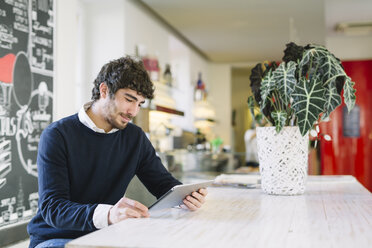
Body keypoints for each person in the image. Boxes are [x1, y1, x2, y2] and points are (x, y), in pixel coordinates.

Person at [27, 56, 208, 248]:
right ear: (104, 90)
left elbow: (164, 185)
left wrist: (186, 197)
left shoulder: (134, 138)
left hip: (107, 237)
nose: (133, 111)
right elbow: (53, 208)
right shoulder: (57, 135)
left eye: (139, 104)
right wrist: (109, 214)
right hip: (55, 238)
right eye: (129, 99)